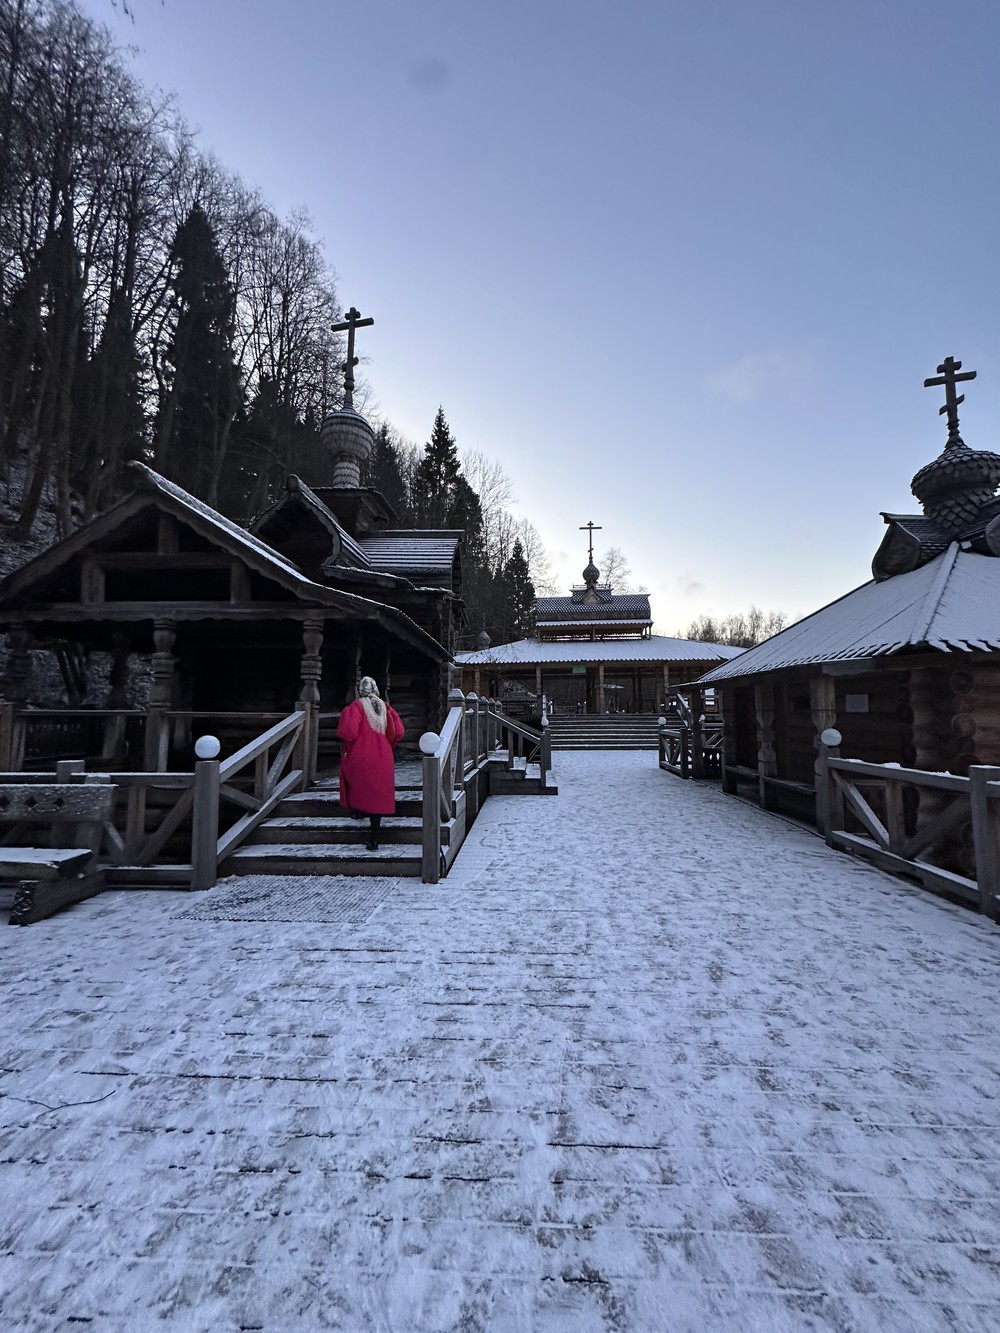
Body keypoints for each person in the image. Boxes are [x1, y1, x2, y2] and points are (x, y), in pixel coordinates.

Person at [336, 677, 405, 851]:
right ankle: (374, 837)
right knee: (378, 792)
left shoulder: (356, 707)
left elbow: (348, 732)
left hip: (361, 751)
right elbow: (398, 732)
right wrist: (385, 743)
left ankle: (358, 810)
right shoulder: (386, 707)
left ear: (360, 691)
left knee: (358, 783)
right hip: (383, 753)